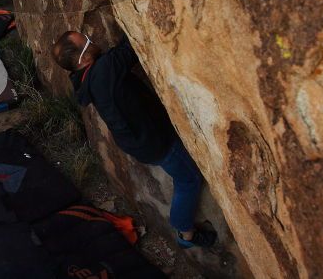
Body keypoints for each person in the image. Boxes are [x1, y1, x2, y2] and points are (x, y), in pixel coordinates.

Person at [52, 31, 216, 248]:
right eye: (87, 42)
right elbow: (132, 44)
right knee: (189, 180)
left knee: (185, 175)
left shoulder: (85, 78)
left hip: (138, 140)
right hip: (155, 141)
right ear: (82, 59)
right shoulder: (103, 71)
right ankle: (185, 232)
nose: (93, 39)